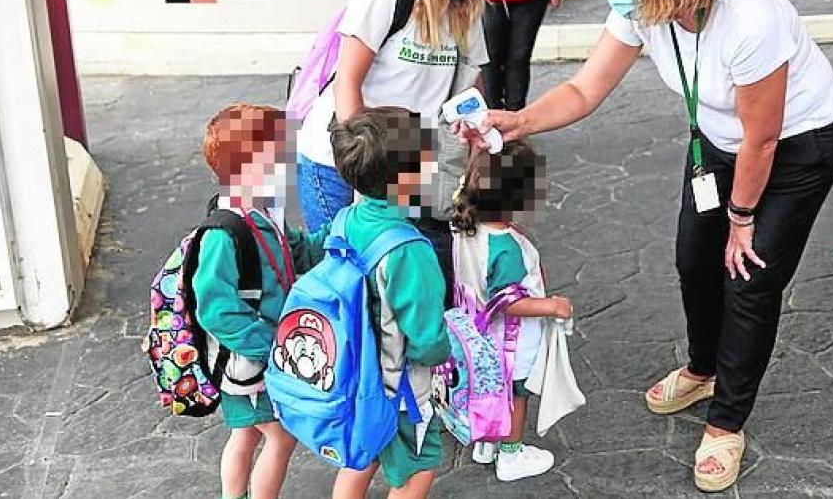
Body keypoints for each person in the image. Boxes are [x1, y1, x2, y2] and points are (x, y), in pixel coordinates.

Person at [465, 0, 833, 492]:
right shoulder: (645, 7)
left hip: (795, 147)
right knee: (694, 258)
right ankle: (703, 367)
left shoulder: (751, 16)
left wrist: (742, 218)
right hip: (720, 145)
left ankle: (726, 423)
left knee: (748, 276)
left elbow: (763, 137)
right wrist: (520, 121)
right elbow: (586, 89)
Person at [295, 0, 496, 290]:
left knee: (401, 288)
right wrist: (360, 173)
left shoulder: (465, 9)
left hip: (404, 167)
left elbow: (467, 99)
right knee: (345, 283)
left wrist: (480, 157)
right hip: (340, 162)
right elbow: (347, 83)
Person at [195, 104, 319, 499]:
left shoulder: (264, 214)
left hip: (257, 356)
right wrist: (271, 347)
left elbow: (299, 252)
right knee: (280, 438)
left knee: (245, 434)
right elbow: (215, 309)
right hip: (251, 361)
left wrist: (343, 233)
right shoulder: (225, 232)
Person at [327, 107, 451, 499]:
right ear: (407, 180)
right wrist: (450, 350)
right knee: (418, 467)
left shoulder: (345, 220)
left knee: (361, 457)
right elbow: (427, 338)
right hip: (400, 390)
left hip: (354, 373)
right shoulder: (411, 250)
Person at [449, 142, 574, 482]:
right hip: (511, 341)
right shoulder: (507, 248)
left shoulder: (466, 224)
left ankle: (487, 442)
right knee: (515, 392)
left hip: (476, 331)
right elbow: (509, 301)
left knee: (487, 385)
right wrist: (553, 306)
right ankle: (511, 453)